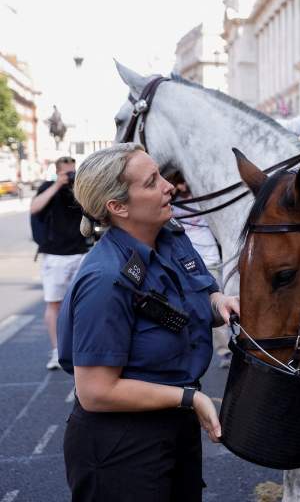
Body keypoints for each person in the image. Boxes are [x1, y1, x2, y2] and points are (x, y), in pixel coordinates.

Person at [57, 143, 240, 501]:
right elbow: (95, 391)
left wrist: (224, 304)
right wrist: (191, 399)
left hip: (173, 421)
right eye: (152, 181)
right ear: (118, 207)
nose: (169, 186)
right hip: (121, 445)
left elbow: (200, 298)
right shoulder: (105, 278)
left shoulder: (169, 235)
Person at [166, 171, 231, 368]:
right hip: (194, 264)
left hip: (216, 259)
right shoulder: (170, 205)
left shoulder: (202, 200)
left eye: (186, 182)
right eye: (180, 183)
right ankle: (224, 351)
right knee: (208, 305)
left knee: (225, 301)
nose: (184, 187)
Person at [30, 156, 88, 370]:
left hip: (81, 252)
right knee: (54, 303)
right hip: (55, 255)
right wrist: (57, 184)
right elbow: (35, 208)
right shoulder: (48, 187)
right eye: (67, 172)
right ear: (58, 172)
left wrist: (77, 185)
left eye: (74, 171)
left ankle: (78, 347)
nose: (71, 175)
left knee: (82, 302)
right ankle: (57, 350)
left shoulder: (79, 189)